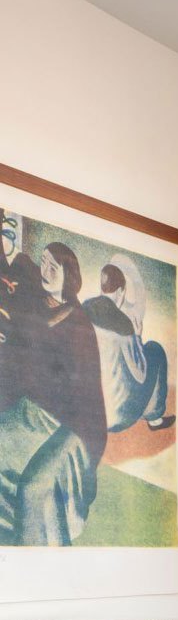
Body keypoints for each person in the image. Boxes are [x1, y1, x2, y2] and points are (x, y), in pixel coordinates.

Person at [0, 222, 107, 545]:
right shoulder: (35, 305)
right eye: (43, 263)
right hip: (32, 411)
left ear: (68, 275)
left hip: (71, 423)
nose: (45, 271)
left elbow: (84, 395)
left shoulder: (79, 324)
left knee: (37, 487)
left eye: (54, 267)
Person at [83, 255, 174, 432]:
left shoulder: (84, 308)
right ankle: (154, 418)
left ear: (102, 287)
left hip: (89, 412)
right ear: (121, 291)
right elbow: (140, 373)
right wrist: (137, 337)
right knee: (154, 349)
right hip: (117, 417)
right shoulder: (124, 325)